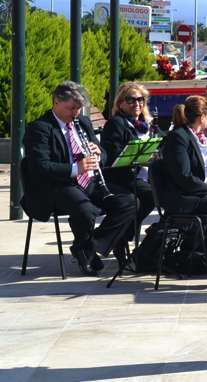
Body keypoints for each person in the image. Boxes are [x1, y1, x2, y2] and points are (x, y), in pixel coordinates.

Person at [22, 81, 137, 276]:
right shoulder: (40, 128)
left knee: (129, 202)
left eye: (78, 108)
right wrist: (76, 168)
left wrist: (98, 154)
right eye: (71, 108)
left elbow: (104, 154)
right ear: (56, 102)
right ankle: (86, 250)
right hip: (57, 185)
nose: (75, 113)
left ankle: (87, 246)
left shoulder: (82, 122)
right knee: (85, 210)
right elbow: (41, 166)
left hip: (87, 181)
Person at [159, 96, 207, 275]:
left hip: (201, 193)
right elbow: (184, 177)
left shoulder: (201, 138)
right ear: (201, 117)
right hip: (186, 198)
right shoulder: (178, 137)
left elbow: (206, 169)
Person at [101, 82, 158, 240]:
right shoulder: (116, 123)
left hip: (145, 175)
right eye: (131, 100)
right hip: (123, 176)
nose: (137, 103)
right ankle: (124, 236)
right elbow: (114, 155)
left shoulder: (145, 124)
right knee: (151, 195)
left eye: (140, 99)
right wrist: (142, 156)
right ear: (120, 103)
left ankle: (144, 239)